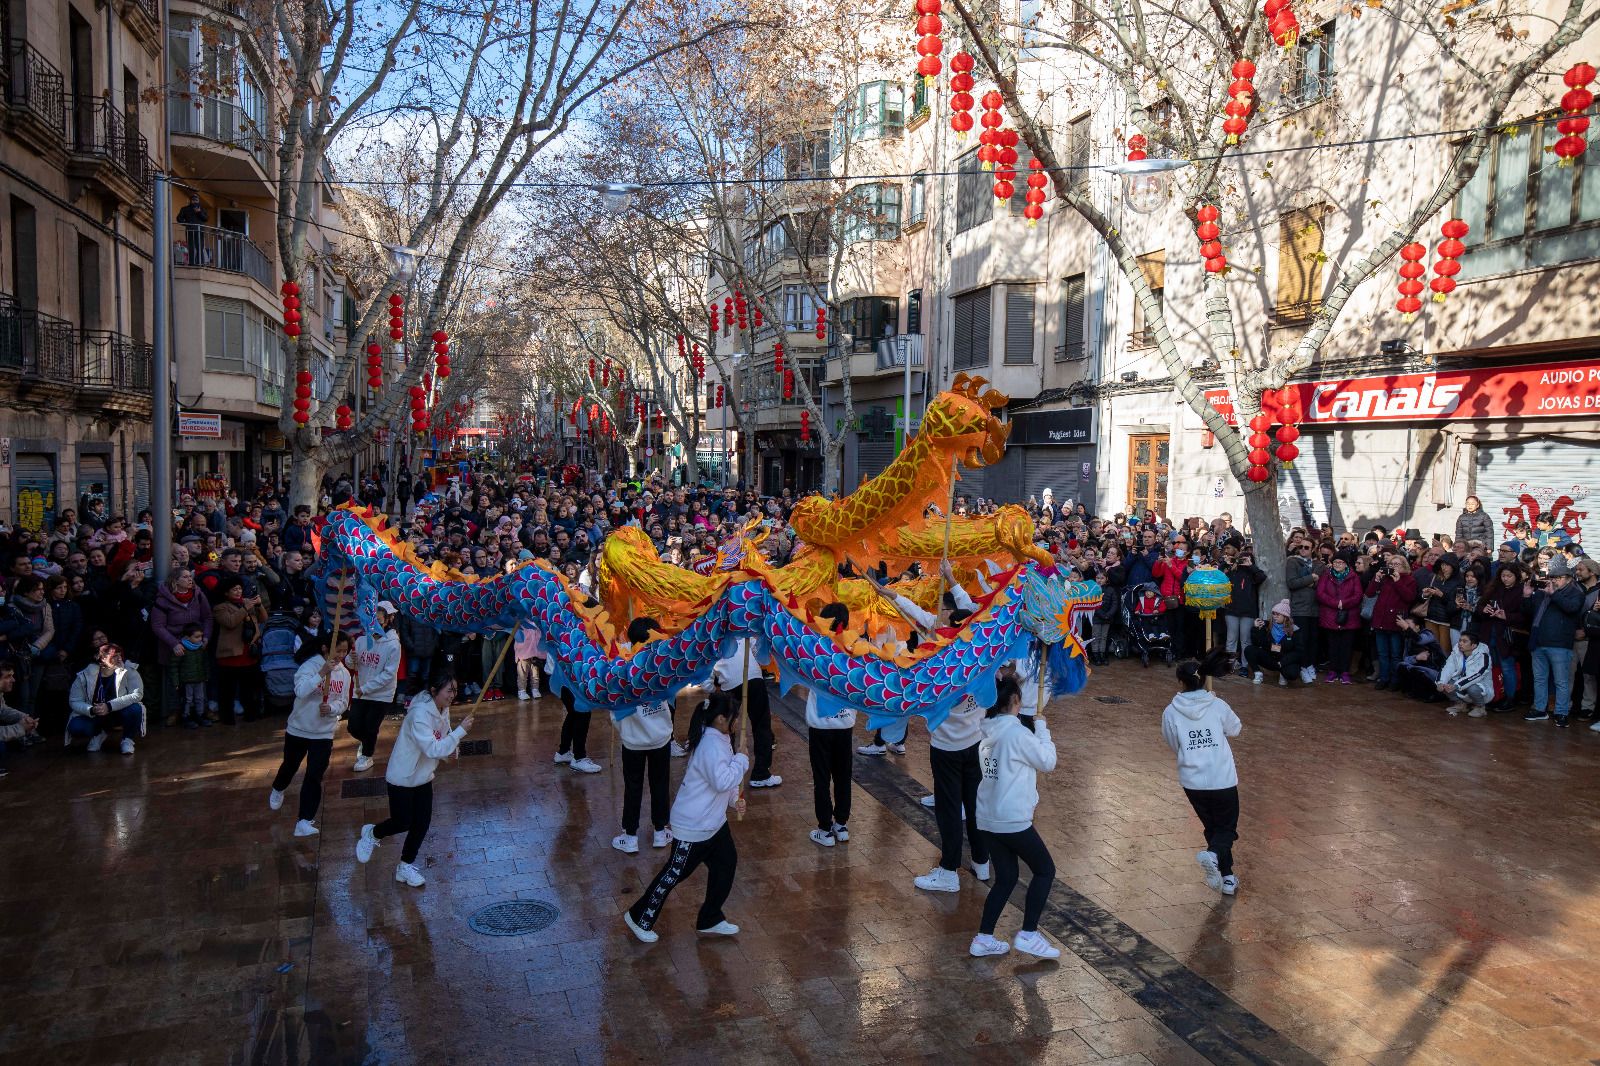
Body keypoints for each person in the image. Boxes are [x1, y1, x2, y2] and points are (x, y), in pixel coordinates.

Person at [622, 693, 747, 944]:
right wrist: (742, 760)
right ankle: (639, 916)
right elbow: (722, 779)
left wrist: (734, 799)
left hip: (714, 824)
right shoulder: (711, 744)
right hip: (694, 827)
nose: (737, 721)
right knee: (672, 875)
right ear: (721, 719)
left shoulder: (721, 737)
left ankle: (710, 918)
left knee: (726, 865)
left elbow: (723, 780)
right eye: (733, 716)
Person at [969, 678, 1061, 960]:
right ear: (1016, 703)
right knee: (1045, 870)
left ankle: (984, 938)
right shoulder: (1017, 734)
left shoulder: (986, 730)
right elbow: (1047, 761)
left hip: (987, 817)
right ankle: (1029, 933)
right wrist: (1043, 728)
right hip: (1012, 819)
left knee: (1006, 877)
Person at [355, 676, 474, 887]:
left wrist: (452, 751)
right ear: (434, 690)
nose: (452, 695)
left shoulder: (442, 709)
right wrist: (460, 731)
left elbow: (441, 740)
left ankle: (405, 866)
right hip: (403, 775)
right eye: (449, 690)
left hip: (423, 776)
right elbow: (432, 748)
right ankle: (372, 834)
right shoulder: (419, 714)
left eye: (455, 690)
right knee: (402, 821)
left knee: (422, 823)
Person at [1161, 651, 1242, 896]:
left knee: (1213, 828)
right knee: (1226, 829)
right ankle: (1215, 856)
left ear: (1180, 682)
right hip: (1222, 777)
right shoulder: (1217, 705)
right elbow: (1235, 729)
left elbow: (1173, 743)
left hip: (1192, 780)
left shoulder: (1170, 712)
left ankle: (1227, 876)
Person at [914, 684, 991, 895]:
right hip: (975, 741)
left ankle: (949, 870)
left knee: (949, 810)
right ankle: (981, 861)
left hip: (946, 746)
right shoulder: (980, 656)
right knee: (975, 804)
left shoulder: (942, 663)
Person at [273, 633, 352, 836]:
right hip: (299, 729)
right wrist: (321, 673)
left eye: (345, 651)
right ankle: (278, 787)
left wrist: (332, 708)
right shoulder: (310, 666)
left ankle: (304, 820)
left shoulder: (344, 673)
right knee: (290, 765)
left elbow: (343, 701)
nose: (342, 655)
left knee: (314, 775)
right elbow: (300, 691)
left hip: (323, 733)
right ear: (326, 648)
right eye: (339, 650)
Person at [612, 619, 676, 854]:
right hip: (660, 737)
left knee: (633, 785)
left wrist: (624, 731)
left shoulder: (621, 665)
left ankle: (630, 837)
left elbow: (615, 706)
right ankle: (660, 832)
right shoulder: (663, 663)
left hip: (633, 741)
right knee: (660, 783)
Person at [806, 602, 856, 848]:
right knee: (843, 776)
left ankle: (825, 828)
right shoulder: (856, 648)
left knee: (822, 777)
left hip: (820, 727)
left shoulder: (815, 648)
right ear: (846, 623)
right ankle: (841, 825)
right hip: (845, 725)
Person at [711, 633, 779, 787]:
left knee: (727, 727)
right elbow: (760, 653)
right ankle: (760, 774)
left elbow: (706, 667)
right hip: (752, 678)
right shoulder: (743, 627)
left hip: (730, 682)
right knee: (761, 725)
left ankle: (728, 768)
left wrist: (713, 689)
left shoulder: (713, 633)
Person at [1524, 556, 1584, 726]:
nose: (1554, 581)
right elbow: (1528, 614)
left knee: (1561, 681)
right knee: (1540, 678)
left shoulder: (1575, 593)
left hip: (1559, 644)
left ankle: (1561, 712)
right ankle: (1539, 709)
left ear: (1568, 579)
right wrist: (1527, 596)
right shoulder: (1543, 592)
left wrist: (1554, 594)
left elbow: (1571, 608)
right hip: (1538, 641)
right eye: (1552, 577)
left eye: (1558, 578)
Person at [347, 601, 402, 772]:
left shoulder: (393, 644)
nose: (376, 623)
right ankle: (367, 743)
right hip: (360, 691)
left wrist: (366, 688)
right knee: (353, 726)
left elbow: (388, 674)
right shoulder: (362, 639)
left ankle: (367, 755)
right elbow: (350, 662)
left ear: (389, 619)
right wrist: (352, 659)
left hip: (380, 695)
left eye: (379, 619)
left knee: (371, 726)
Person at [66, 644, 145, 755]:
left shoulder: (128, 670)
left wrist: (109, 706)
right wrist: (91, 709)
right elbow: (74, 700)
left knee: (135, 709)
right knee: (76, 726)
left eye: (120, 655)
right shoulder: (85, 675)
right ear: (102, 659)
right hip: (96, 715)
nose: (119, 659)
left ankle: (127, 739)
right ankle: (98, 734)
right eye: (114, 656)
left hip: (119, 712)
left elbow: (137, 694)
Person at [1316, 554, 1364, 684]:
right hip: (1330, 615)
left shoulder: (1353, 577)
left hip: (1349, 616)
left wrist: (1345, 603)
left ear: (1346, 564)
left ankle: (1345, 672)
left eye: (1341, 562)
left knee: (1346, 646)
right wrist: (1335, 603)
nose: (1337, 565)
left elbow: (1358, 594)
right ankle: (1332, 671)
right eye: (1335, 562)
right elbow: (1320, 593)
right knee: (1332, 645)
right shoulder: (1326, 575)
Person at [1245, 600, 1310, 687]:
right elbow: (1257, 643)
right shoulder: (1267, 625)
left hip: (1285, 660)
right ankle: (1258, 673)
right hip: (1270, 658)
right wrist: (1257, 629)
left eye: (1278, 614)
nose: (1275, 616)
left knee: (1292, 674)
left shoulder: (1294, 630)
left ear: (1285, 616)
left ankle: (1283, 674)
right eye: (1273, 614)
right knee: (1249, 649)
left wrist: (1283, 662)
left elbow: (1298, 652)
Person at [1437, 631, 1494, 717]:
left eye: (1464, 641)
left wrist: (1456, 685)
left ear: (1473, 645)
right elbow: (1448, 667)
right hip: (1462, 682)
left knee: (1472, 688)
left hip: (1479, 684)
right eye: (1460, 640)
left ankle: (1480, 707)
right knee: (1445, 683)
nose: (1460, 643)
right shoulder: (1456, 651)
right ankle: (1461, 705)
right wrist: (1440, 682)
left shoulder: (1483, 655)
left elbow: (1477, 675)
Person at [174, 622, 210, 728]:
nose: (200, 639)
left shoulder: (201, 649)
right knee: (188, 699)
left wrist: (206, 675)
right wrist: (176, 682)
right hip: (186, 681)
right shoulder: (181, 649)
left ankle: (200, 715)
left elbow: (205, 663)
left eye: (201, 636)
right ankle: (186, 717)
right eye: (197, 636)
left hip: (199, 678)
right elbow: (174, 666)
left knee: (200, 698)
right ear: (187, 637)